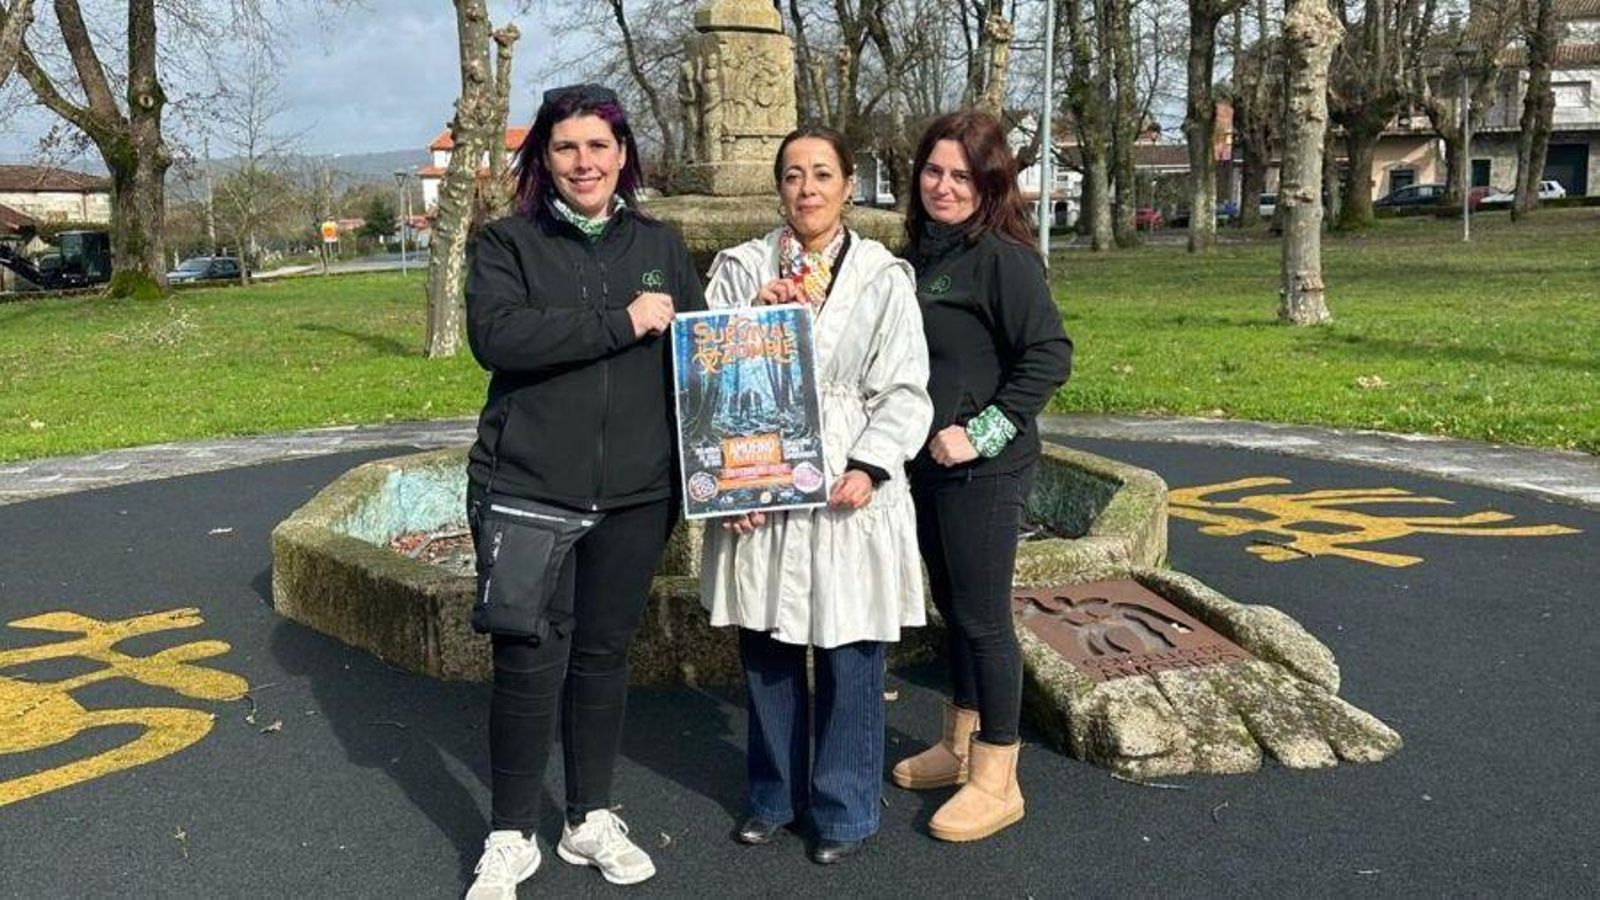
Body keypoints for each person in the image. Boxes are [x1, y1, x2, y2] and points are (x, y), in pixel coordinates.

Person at [461, 83, 705, 898]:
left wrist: (759, 325)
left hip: (637, 495)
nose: (583, 162)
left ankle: (589, 817)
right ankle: (509, 834)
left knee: (602, 658)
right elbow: (497, 337)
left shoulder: (662, 244)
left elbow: (700, 355)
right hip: (530, 488)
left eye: (598, 146)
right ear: (543, 159)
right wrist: (620, 321)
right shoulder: (506, 244)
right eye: (565, 148)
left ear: (623, 154)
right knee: (529, 659)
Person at [699, 125, 933, 865]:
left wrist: (870, 464)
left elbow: (906, 388)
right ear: (779, 189)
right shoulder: (738, 270)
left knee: (850, 651)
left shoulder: (883, 277)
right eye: (794, 175)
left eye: (822, 174)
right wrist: (752, 324)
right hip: (762, 479)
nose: (807, 189)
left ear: (848, 186)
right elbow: (707, 380)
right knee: (766, 645)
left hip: (846, 486)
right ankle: (773, 796)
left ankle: (845, 808)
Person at [892, 109, 1073, 843]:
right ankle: (959, 740)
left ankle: (998, 774)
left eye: (960, 175)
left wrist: (982, 433)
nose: (943, 185)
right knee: (953, 609)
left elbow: (1049, 355)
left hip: (984, 471)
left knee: (984, 617)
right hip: (928, 466)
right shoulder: (924, 255)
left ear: (990, 181)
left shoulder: (1003, 257)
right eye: (933, 171)